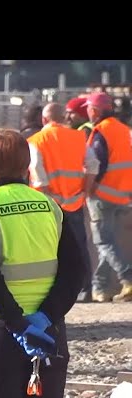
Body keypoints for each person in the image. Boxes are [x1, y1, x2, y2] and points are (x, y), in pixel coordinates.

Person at [0, 129, 84, 398]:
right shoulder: (50, 207)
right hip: (47, 332)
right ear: (25, 166)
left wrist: (17, 323)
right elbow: (75, 270)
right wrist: (44, 316)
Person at [28, 102, 99, 303]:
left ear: (44, 120)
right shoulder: (77, 137)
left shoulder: (36, 140)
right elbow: (93, 165)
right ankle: (85, 290)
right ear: (64, 118)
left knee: (49, 248)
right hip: (74, 202)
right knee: (78, 246)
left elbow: (39, 176)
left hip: (48, 205)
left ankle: (54, 292)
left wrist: (49, 197)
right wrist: (85, 190)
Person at [83, 92, 132, 302]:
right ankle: (101, 289)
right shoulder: (124, 130)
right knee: (107, 241)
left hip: (102, 194)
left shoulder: (101, 131)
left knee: (103, 241)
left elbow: (97, 164)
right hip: (122, 194)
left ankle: (128, 277)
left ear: (94, 110)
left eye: (88, 108)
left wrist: (90, 188)